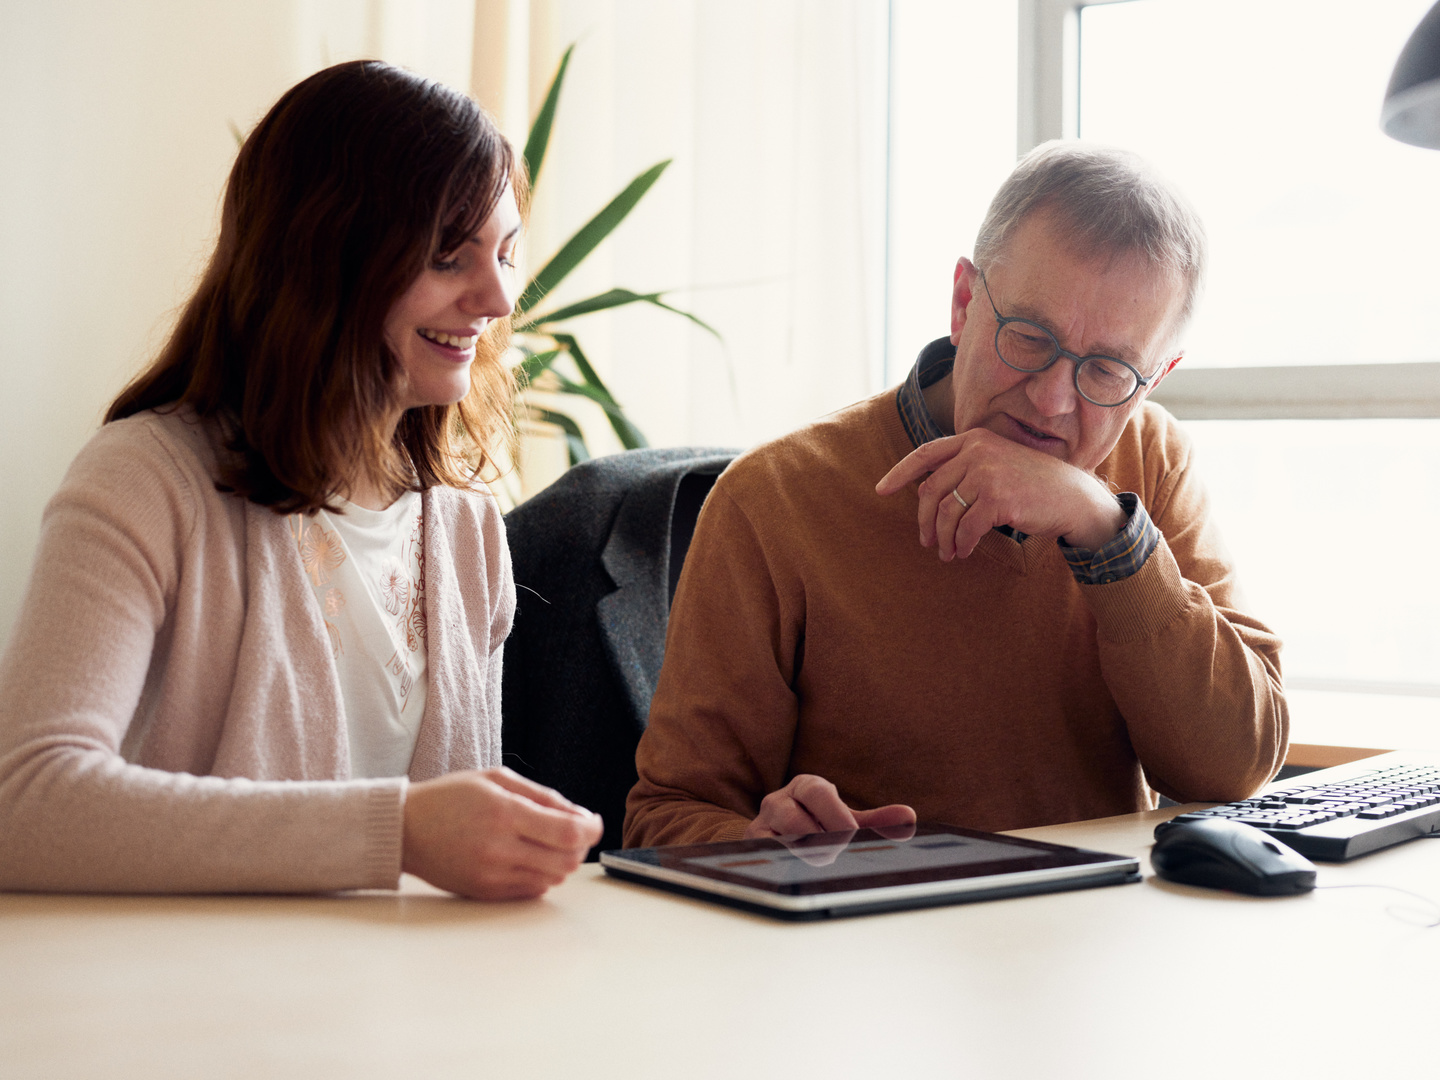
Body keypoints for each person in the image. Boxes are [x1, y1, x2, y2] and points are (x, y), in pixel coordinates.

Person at [0, 60, 601, 897]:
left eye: (504, 251)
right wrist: (395, 833)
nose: (499, 297)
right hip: (190, 1007)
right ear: (325, 258)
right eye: (447, 256)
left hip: (414, 1012)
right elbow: (24, 803)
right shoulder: (143, 482)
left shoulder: (468, 531)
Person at [624, 142, 1288, 848]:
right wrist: (763, 850)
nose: (1053, 398)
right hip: (872, 943)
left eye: (1107, 370)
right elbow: (663, 818)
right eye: (1030, 337)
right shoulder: (771, 502)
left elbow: (1236, 765)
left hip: (1100, 939)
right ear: (966, 303)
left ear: (1158, 375)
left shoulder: (1150, 458)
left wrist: (1104, 530)